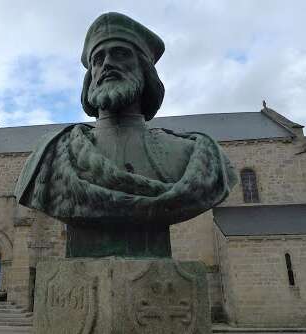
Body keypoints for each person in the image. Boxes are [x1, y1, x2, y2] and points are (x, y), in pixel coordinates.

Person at [15, 13, 236, 255]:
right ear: (90, 78)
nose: (107, 63)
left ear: (145, 69)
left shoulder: (196, 154)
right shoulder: (52, 154)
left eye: (120, 53)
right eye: (98, 59)